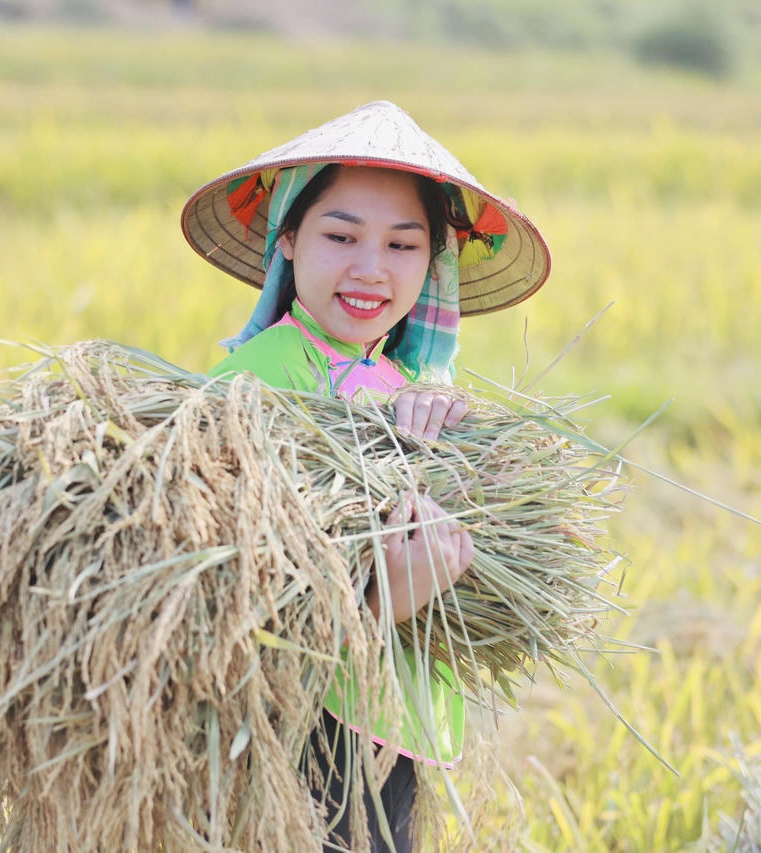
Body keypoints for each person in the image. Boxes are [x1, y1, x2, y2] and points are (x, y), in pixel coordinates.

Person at [180, 100, 551, 851]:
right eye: (340, 235)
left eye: (402, 245)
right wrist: (386, 598)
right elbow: (225, 623)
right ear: (288, 239)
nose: (370, 269)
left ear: (432, 264)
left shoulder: (408, 387)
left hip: (388, 737)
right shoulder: (254, 387)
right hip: (294, 744)